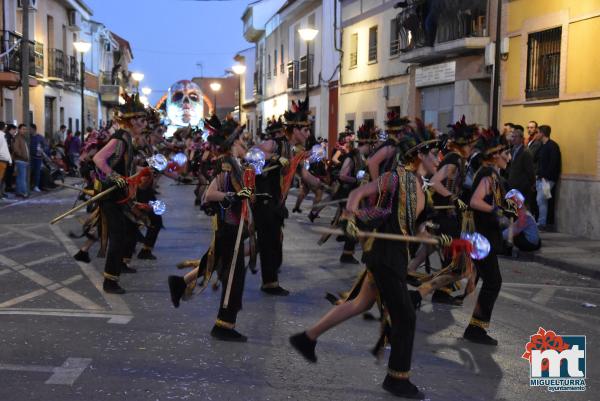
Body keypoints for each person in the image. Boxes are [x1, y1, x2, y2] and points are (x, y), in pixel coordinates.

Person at [464, 128, 517, 345]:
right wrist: (497, 210)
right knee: (493, 281)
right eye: (505, 153)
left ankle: (475, 327)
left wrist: (505, 207)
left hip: (484, 236)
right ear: (495, 155)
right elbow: (475, 201)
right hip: (481, 238)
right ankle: (475, 329)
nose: (509, 157)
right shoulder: (487, 174)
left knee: (481, 279)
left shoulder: (492, 174)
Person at [93, 94, 147, 294]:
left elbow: (126, 166)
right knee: (117, 237)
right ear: (132, 120)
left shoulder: (127, 139)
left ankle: (119, 268)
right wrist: (116, 177)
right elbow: (99, 159)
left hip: (119, 195)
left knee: (126, 231)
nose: (144, 124)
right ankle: (110, 281)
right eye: (141, 121)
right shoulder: (120, 139)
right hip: (110, 195)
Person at [535, 125, 561, 229]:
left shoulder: (552, 146)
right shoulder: (542, 145)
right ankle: (542, 221)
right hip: (540, 178)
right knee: (541, 200)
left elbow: (553, 163)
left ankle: (542, 222)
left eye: (537, 132)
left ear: (542, 133)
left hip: (547, 179)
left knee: (541, 199)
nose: (536, 135)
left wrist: (545, 176)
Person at [507, 125, 535, 208]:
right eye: (512, 137)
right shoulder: (512, 150)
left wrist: (531, 184)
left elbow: (530, 170)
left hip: (522, 186)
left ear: (521, 138)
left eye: (516, 137)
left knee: (522, 209)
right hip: (513, 184)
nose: (513, 139)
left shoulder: (525, 152)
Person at [12, 124, 30, 198]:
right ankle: (24, 192)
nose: (24, 130)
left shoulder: (23, 138)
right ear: (19, 129)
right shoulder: (17, 138)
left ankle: (18, 192)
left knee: (19, 177)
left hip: (22, 160)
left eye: (25, 129)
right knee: (22, 177)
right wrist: (24, 156)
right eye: (23, 129)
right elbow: (16, 149)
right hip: (20, 160)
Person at [29, 124, 46, 192]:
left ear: (33, 129)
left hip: (38, 158)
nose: (29, 131)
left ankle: (36, 186)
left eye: (30, 129)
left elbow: (44, 146)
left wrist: (42, 150)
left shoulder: (40, 137)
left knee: (37, 172)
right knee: (30, 172)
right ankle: (30, 185)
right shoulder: (29, 137)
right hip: (31, 157)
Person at [0, 121, 12, 199]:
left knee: (1, 179)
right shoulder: (1, 136)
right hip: (1, 160)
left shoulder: (3, 136)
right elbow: (3, 150)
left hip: (3, 160)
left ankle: (1, 194)